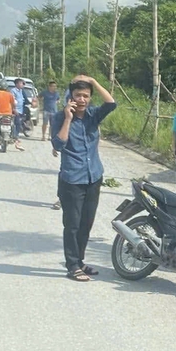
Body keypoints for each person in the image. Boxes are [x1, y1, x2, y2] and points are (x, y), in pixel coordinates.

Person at [51, 75, 117, 282]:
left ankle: (79, 261)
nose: (82, 99)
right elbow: (58, 145)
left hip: (93, 177)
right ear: (70, 97)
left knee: (86, 223)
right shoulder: (59, 117)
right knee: (72, 225)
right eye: (78, 95)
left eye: (86, 96)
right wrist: (68, 119)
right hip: (72, 179)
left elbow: (111, 103)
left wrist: (93, 81)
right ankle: (72, 265)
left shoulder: (93, 115)